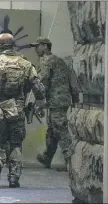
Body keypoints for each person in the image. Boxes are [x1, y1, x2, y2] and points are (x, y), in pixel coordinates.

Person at [0, 33, 45, 188]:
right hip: (18, 109)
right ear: (13, 45)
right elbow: (38, 87)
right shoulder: (25, 64)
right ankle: (14, 177)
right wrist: (40, 103)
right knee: (15, 144)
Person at [30, 37, 80, 171]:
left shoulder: (46, 60)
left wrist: (38, 101)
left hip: (56, 100)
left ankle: (71, 162)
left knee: (60, 129)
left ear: (45, 46)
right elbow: (71, 79)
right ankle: (47, 157)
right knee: (52, 130)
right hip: (61, 99)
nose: (36, 49)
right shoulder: (59, 60)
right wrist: (74, 98)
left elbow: (43, 81)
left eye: (37, 46)